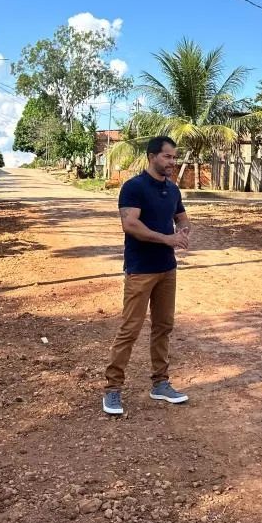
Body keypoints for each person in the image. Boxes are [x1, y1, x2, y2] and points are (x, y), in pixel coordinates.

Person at [103, 136, 191, 416]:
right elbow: (130, 225)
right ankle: (113, 390)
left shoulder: (173, 190)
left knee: (164, 327)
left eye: (174, 157)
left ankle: (160, 384)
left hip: (167, 269)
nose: (172, 162)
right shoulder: (134, 187)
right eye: (167, 157)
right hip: (141, 269)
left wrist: (184, 232)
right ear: (152, 156)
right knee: (130, 329)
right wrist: (166, 239)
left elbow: (182, 218)